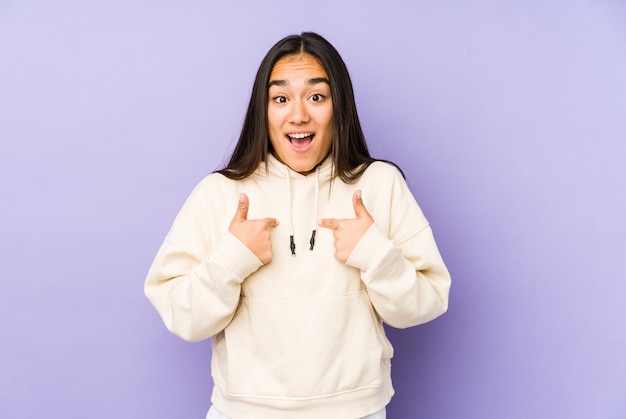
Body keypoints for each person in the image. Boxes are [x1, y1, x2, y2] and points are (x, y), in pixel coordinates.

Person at [145, 31, 451, 419]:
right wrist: (230, 260)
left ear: (338, 107)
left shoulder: (379, 184)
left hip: (355, 412)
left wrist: (374, 253)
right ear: (264, 109)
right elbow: (181, 316)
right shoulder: (220, 193)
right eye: (281, 98)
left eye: (317, 96)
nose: (299, 114)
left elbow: (425, 303)